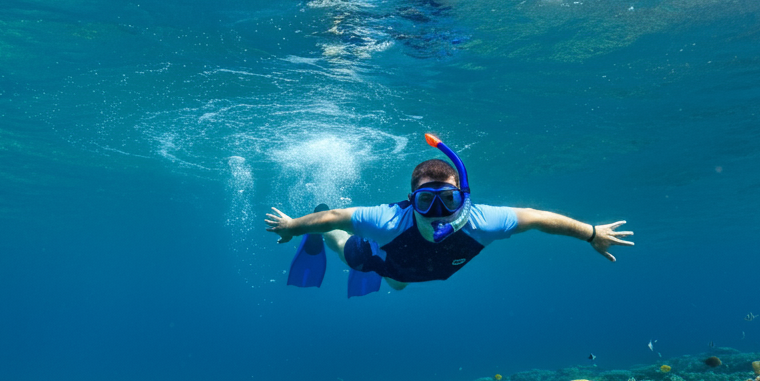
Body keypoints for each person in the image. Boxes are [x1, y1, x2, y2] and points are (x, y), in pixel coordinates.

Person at [265, 132, 633, 297]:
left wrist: (591, 232)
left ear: (463, 197)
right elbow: (339, 217)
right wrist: (293, 227)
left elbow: (536, 217)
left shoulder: (482, 221)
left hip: (423, 270)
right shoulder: (389, 220)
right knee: (348, 248)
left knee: (401, 285)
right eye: (426, 202)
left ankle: (396, 280)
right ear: (411, 201)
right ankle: (344, 245)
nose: (438, 213)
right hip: (384, 260)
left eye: (448, 200)